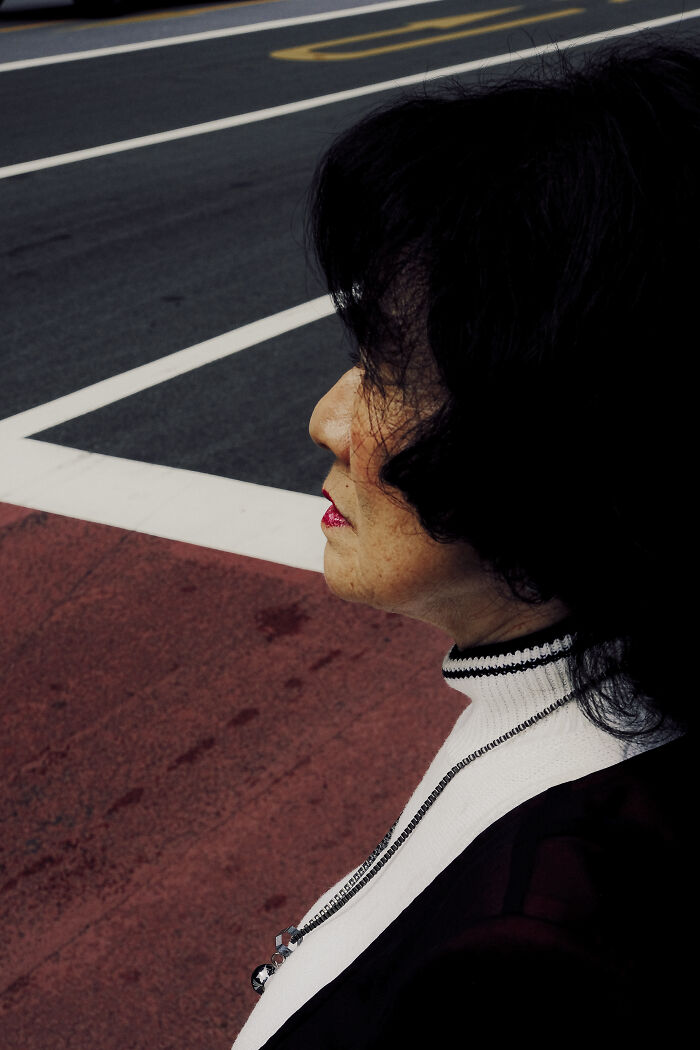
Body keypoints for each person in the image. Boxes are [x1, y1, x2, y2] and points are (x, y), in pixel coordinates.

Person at [232, 38, 695, 1048]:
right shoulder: (602, 684)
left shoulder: (531, 961)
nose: (324, 418)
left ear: (560, 430)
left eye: (389, 367)